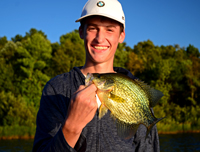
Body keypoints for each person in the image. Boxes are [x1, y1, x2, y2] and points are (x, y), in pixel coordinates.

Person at [32, 0, 160, 151]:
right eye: (93, 28)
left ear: (121, 36)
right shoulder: (56, 89)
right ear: (81, 32)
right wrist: (71, 127)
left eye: (110, 30)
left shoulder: (137, 92)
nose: (100, 38)